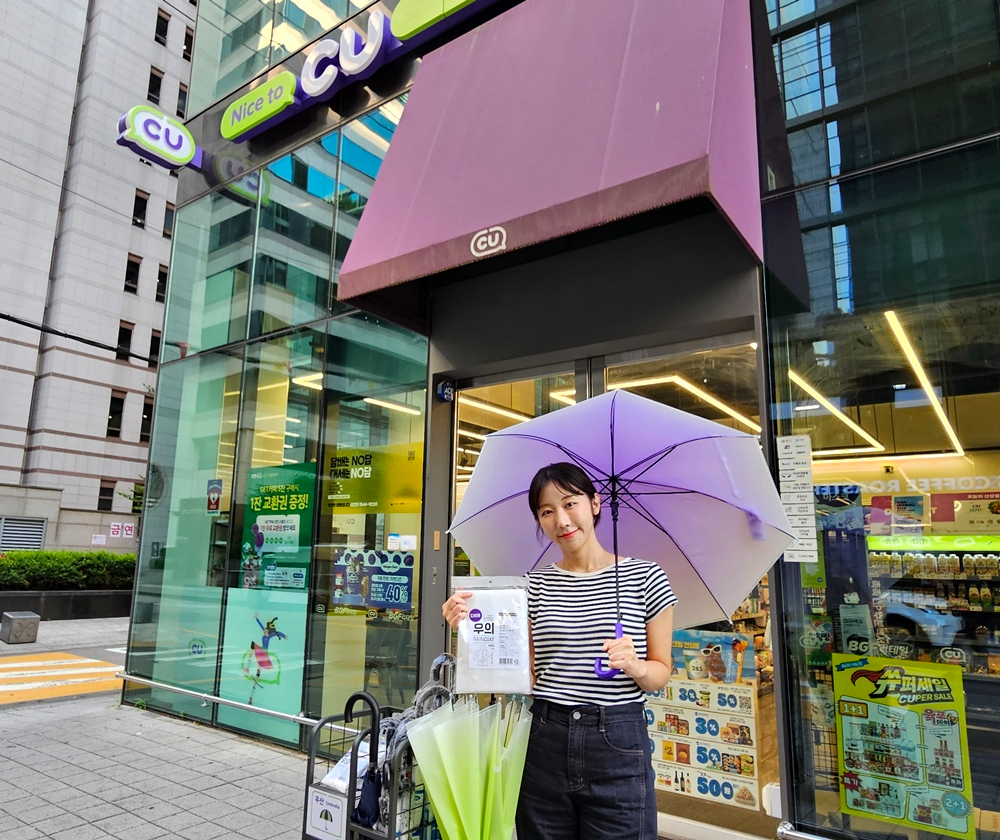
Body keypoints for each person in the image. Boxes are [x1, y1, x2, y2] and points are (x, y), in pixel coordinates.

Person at [443, 462, 676, 840]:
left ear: (595, 504)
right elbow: (524, 674)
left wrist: (635, 666)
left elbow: (660, 672)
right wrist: (470, 627)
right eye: (547, 511)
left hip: (618, 740)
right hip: (544, 738)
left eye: (570, 504)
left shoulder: (646, 577)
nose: (561, 520)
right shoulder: (533, 585)